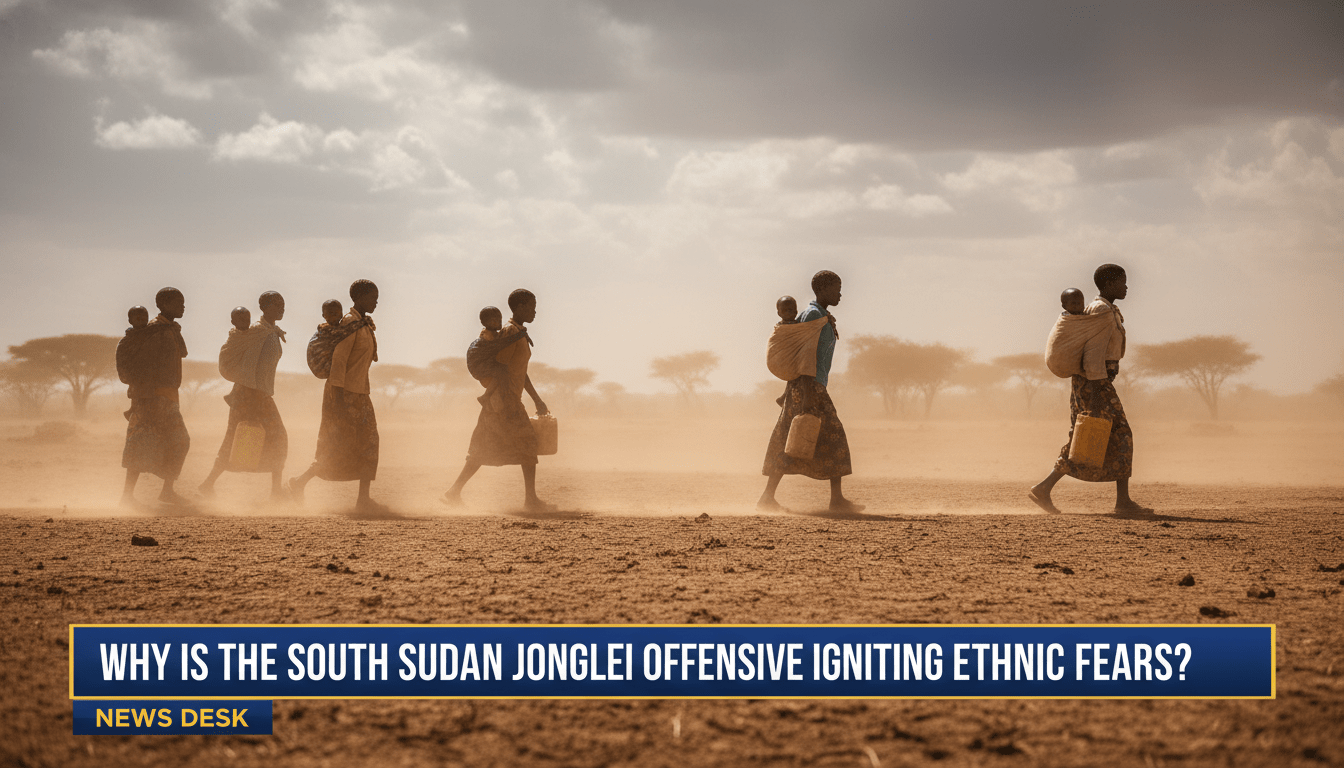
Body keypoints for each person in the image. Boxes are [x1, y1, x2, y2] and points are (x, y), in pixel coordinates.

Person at [1030, 264, 1151, 516]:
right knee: (1119, 434)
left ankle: (1044, 488)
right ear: (1108, 285)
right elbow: (1093, 356)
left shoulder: (1107, 310)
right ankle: (1123, 502)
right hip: (1094, 383)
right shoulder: (1101, 311)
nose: (1126, 287)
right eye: (1122, 282)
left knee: (1089, 437)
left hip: (1097, 382)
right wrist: (1096, 397)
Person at [758, 270, 863, 514]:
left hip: (808, 386)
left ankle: (768, 497)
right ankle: (834, 500)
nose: (839, 293)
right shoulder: (813, 315)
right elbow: (803, 357)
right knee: (827, 437)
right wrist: (806, 396)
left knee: (792, 439)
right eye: (836, 288)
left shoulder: (821, 315)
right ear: (823, 289)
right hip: (808, 387)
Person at [444, 288, 552, 512]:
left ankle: (453, 491)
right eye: (532, 306)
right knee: (527, 443)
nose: (535, 311)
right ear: (520, 307)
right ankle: (530, 500)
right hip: (503, 401)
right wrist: (505, 401)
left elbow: (519, 371)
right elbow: (501, 367)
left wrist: (536, 399)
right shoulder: (510, 333)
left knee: (484, 448)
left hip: (505, 399)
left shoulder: (517, 332)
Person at [289, 280, 385, 513]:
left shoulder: (363, 324)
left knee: (368, 444)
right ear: (360, 298)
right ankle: (298, 482)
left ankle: (363, 499)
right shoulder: (350, 324)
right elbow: (339, 363)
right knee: (336, 446)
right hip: (342, 394)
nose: (376, 301)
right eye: (373, 297)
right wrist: (339, 401)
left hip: (361, 394)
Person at [199, 291, 289, 500]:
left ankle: (274, 491)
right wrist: (251, 390)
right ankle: (208, 484)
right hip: (248, 394)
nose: (282, 308)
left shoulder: (271, 331)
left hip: (260, 394)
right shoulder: (256, 331)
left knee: (273, 438)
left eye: (283, 304)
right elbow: (238, 348)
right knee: (238, 439)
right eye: (277, 305)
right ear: (265, 307)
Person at [118, 287, 191, 507]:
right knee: (142, 444)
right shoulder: (154, 331)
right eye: (179, 302)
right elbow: (142, 367)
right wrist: (145, 397)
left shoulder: (168, 329)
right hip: (151, 399)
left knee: (176, 441)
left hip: (167, 398)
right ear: (164, 305)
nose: (183, 307)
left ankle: (165, 492)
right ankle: (128, 496)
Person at [467, 306, 530, 410]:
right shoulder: (487, 335)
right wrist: (519, 335)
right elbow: (499, 344)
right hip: (478, 364)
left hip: (483, 362)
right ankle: (486, 396)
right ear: (486, 322)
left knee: (501, 369)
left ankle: (487, 396)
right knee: (501, 369)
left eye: (500, 318)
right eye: (495, 320)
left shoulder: (495, 334)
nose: (499, 322)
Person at [773, 296, 799, 406]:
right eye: (785, 310)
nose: (788, 313)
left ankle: (784, 396)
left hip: (793, 358)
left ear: (796, 311)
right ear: (779, 313)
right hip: (786, 357)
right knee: (797, 373)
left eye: (791, 310)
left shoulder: (799, 325)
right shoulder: (782, 327)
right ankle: (784, 396)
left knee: (796, 376)